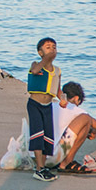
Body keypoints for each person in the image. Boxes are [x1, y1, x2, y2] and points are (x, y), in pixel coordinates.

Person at [27, 37, 66, 181]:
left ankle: (42, 167)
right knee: (37, 133)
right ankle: (38, 169)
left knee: (47, 136)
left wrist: (63, 99)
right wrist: (46, 59)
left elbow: (58, 89)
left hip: (47, 106)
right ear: (40, 52)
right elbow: (36, 71)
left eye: (54, 47)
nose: (52, 49)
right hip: (35, 104)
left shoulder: (57, 70)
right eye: (48, 47)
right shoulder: (36, 64)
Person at [54, 82, 96, 173]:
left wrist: (88, 130)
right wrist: (91, 130)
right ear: (76, 99)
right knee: (86, 118)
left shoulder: (54, 105)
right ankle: (66, 162)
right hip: (54, 157)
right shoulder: (75, 109)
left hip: (40, 157)